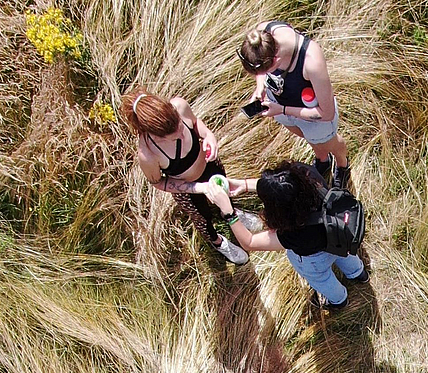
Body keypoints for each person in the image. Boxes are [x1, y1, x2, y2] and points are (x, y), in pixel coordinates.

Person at [202, 160, 367, 310]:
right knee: (344, 256)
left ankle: (339, 300)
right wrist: (244, 185)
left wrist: (228, 213)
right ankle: (359, 273)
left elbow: (250, 242)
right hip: (339, 234)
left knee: (322, 279)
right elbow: (287, 187)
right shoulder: (311, 177)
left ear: (279, 211)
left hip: (315, 260)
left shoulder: (294, 232)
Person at [120, 87, 250, 264]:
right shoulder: (148, 155)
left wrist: (208, 136)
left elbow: (196, 123)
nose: (182, 134)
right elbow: (158, 183)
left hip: (210, 166)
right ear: (157, 137)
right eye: (175, 138)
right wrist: (198, 188)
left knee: (226, 190)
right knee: (203, 218)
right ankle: (218, 242)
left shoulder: (179, 106)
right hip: (188, 191)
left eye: (181, 127)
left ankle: (230, 212)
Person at [236, 21, 349, 189]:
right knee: (309, 137)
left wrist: (282, 109)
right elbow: (261, 72)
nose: (264, 75)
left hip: (311, 114)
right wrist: (260, 87)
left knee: (329, 141)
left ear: (276, 59)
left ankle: (342, 165)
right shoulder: (261, 37)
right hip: (278, 106)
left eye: (266, 71)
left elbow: (327, 113)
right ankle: (323, 159)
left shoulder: (311, 60)